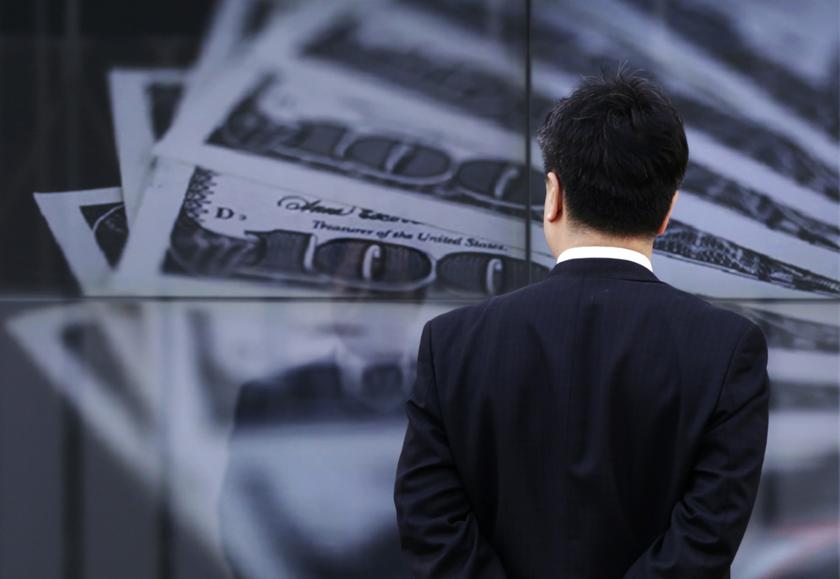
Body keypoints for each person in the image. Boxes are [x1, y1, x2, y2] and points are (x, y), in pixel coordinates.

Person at [393, 69, 770, 578]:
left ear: (554, 195)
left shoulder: (453, 343)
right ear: (667, 213)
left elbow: (430, 523)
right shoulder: (728, 349)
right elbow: (705, 538)